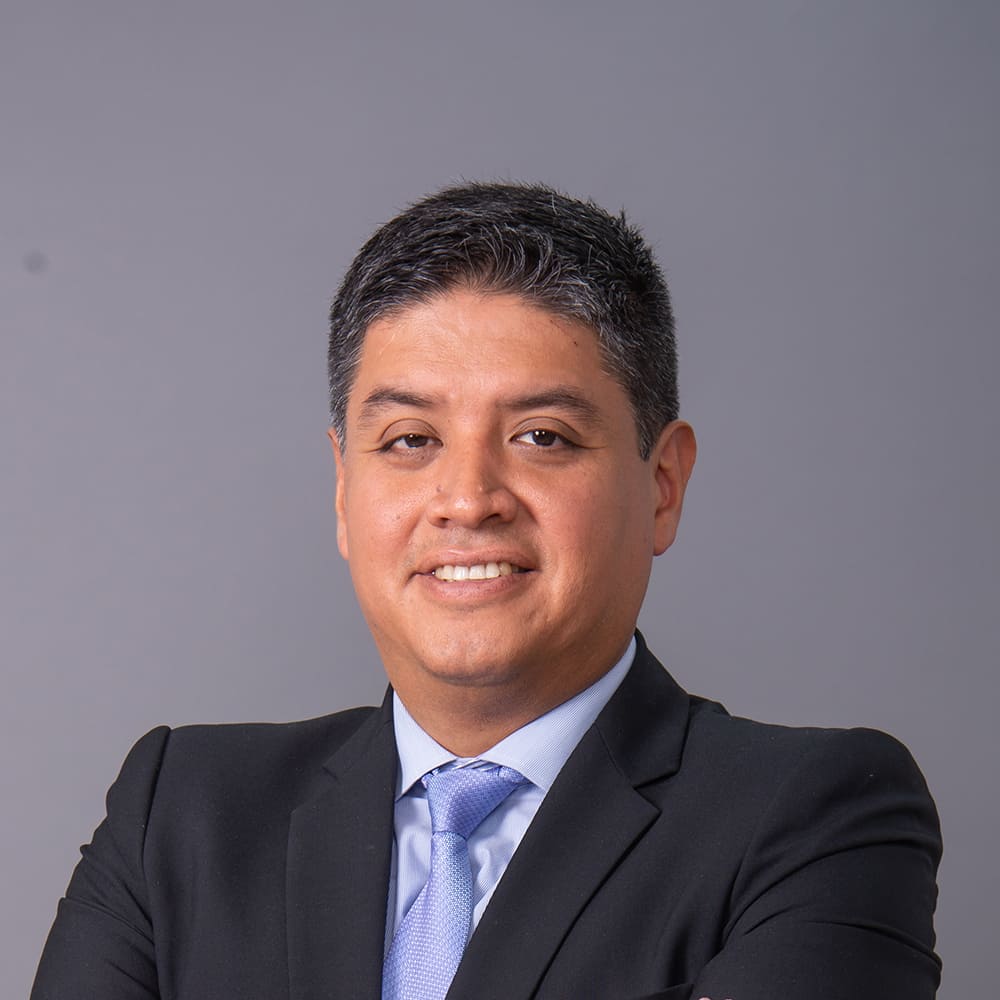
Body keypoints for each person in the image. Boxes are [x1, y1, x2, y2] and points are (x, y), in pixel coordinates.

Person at [32, 182, 942, 999]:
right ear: (344, 491)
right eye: (410, 441)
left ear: (662, 485)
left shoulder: (815, 817)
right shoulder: (181, 813)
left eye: (542, 436)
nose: (468, 500)